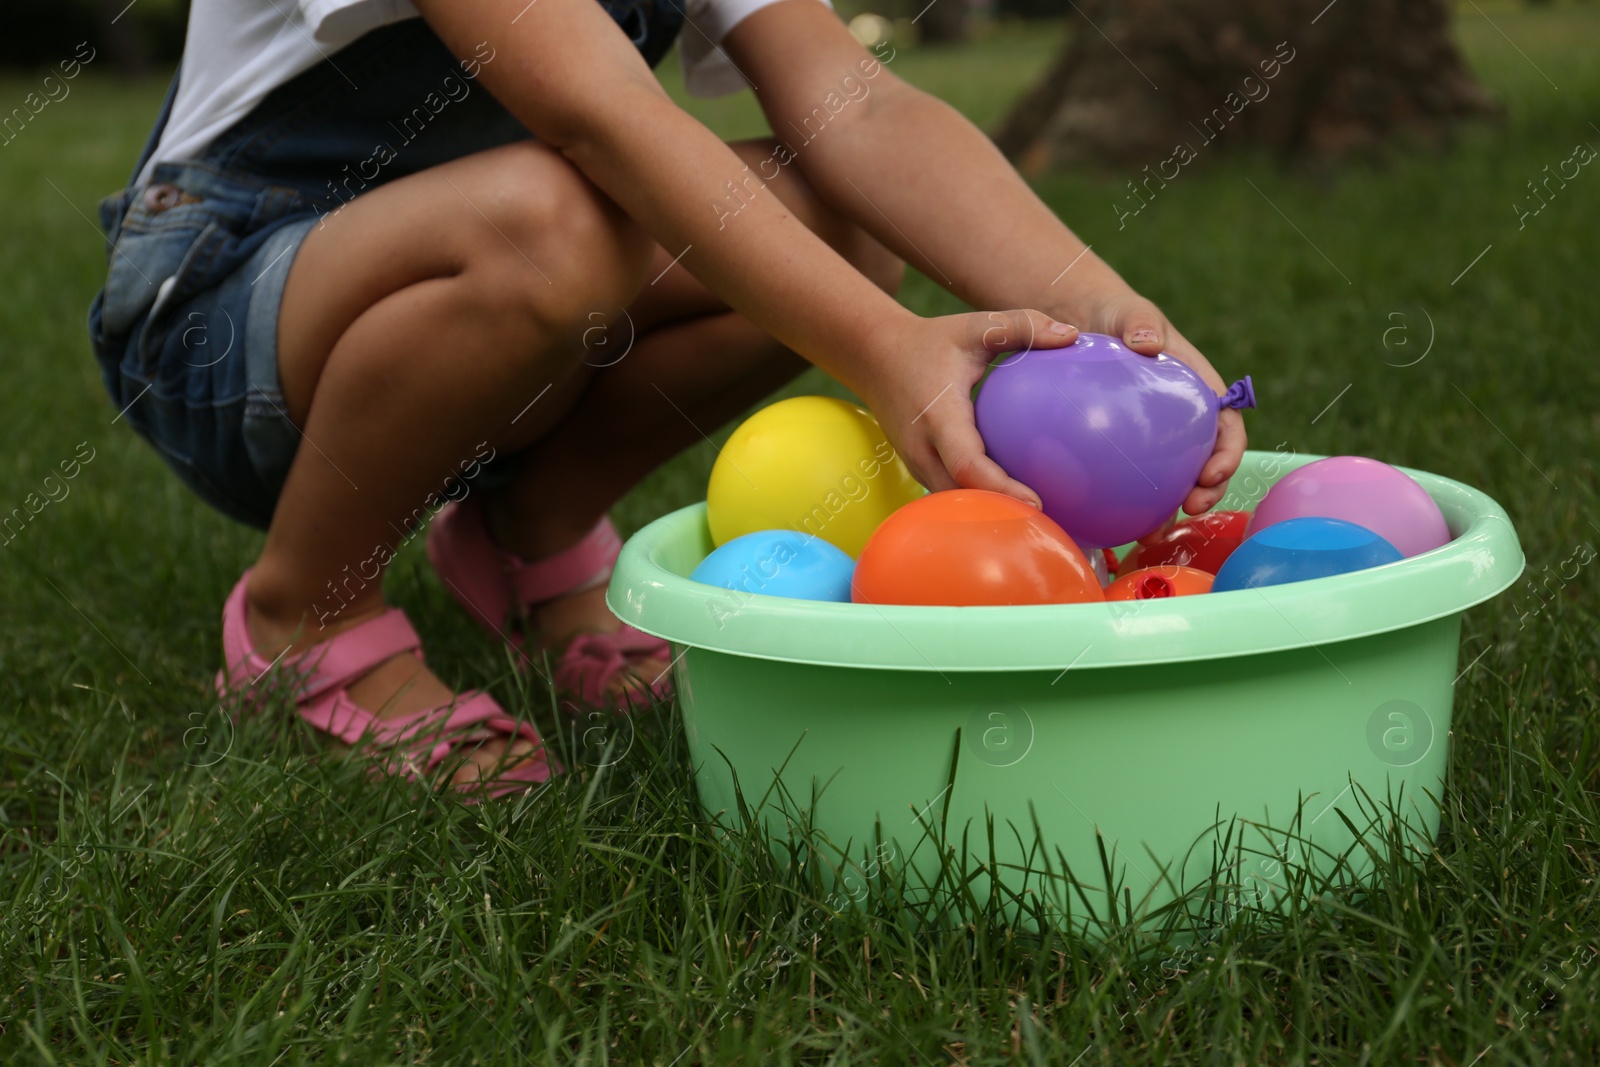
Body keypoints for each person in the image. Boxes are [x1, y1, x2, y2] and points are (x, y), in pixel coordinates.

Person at [87, 0, 1246, 798]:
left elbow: (859, 108)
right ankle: (305, 612)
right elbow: (602, 115)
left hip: (480, 293)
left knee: (828, 231)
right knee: (554, 223)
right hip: (224, 322)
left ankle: (527, 538)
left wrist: (1111, 318)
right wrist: (887, 354)